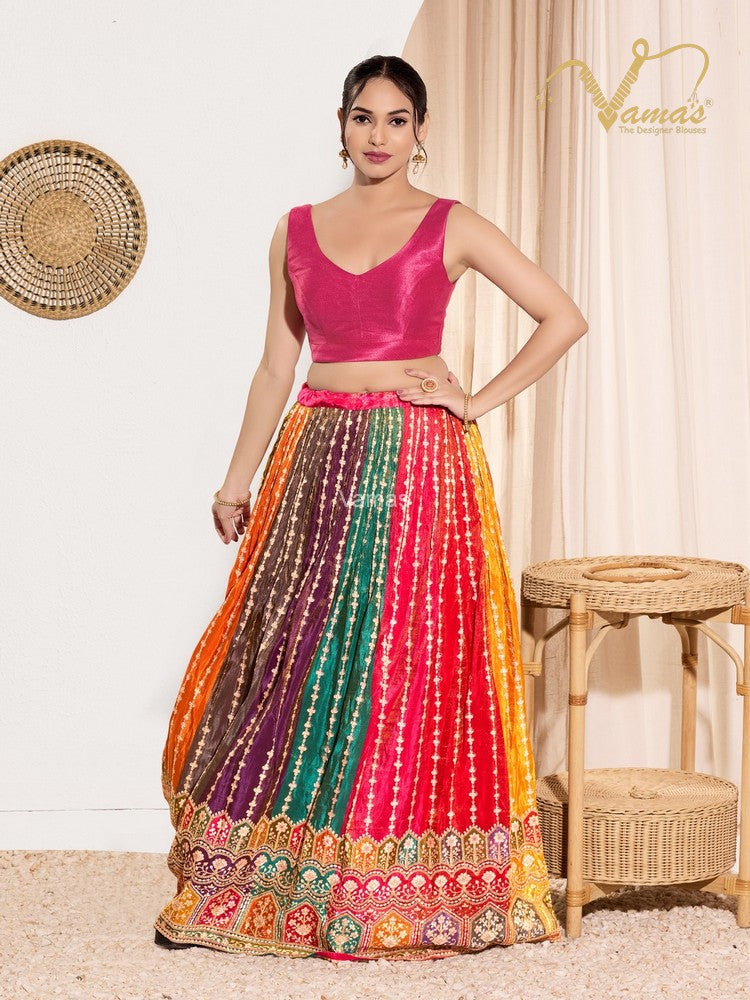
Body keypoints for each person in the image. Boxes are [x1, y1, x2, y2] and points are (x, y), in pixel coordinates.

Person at [153, 54, 587, 961]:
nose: (378, 135)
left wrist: (473, 400)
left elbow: (562, 316)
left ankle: (390, 882)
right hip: (317, 454)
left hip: (419, 459)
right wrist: (235, 481)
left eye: (396, 119)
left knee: (402, 659)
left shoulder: (451, 223)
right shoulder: (295, 230)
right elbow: (275, 367)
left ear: (420, 132)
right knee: (302, 656)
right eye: (363, 117)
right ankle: (286, 874)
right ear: (341, 125)